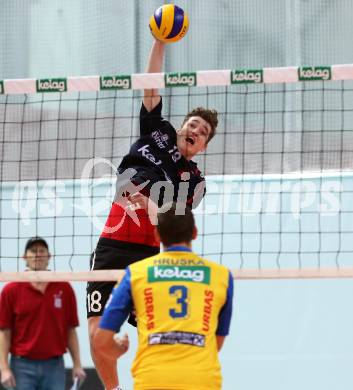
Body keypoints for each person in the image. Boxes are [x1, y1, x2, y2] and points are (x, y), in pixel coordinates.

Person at [87, 39, 218, 386]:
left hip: (148, 256)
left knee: (159, 333)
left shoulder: (195, 181)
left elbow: (174, 222)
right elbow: (150, 84)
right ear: (181, 126)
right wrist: (159, 41)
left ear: (203, 147)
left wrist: (147, 203)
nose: (195, 130)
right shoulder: (156, 131)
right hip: (112, 245)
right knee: (96, 338)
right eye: (192, 124)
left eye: (202, 132)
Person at [93, 203, 233, 390]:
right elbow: (216, 343)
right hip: (201, 380)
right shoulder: (221, 276)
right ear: (195, 233)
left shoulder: (136, 274)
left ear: (157, 235)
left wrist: (117, 349)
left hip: (152, 380)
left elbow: (100, 341)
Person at [0, 237, 86, 390]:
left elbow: (70, 330)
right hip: (21, 366)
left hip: (54, 365)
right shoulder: (11, 290)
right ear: (25, 257)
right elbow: (5, 333)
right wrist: (4, 368)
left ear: (49, 257)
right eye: (33, 251)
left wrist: (77, 365)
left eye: (41, 251)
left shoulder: (64, 288)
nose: (37, 254)